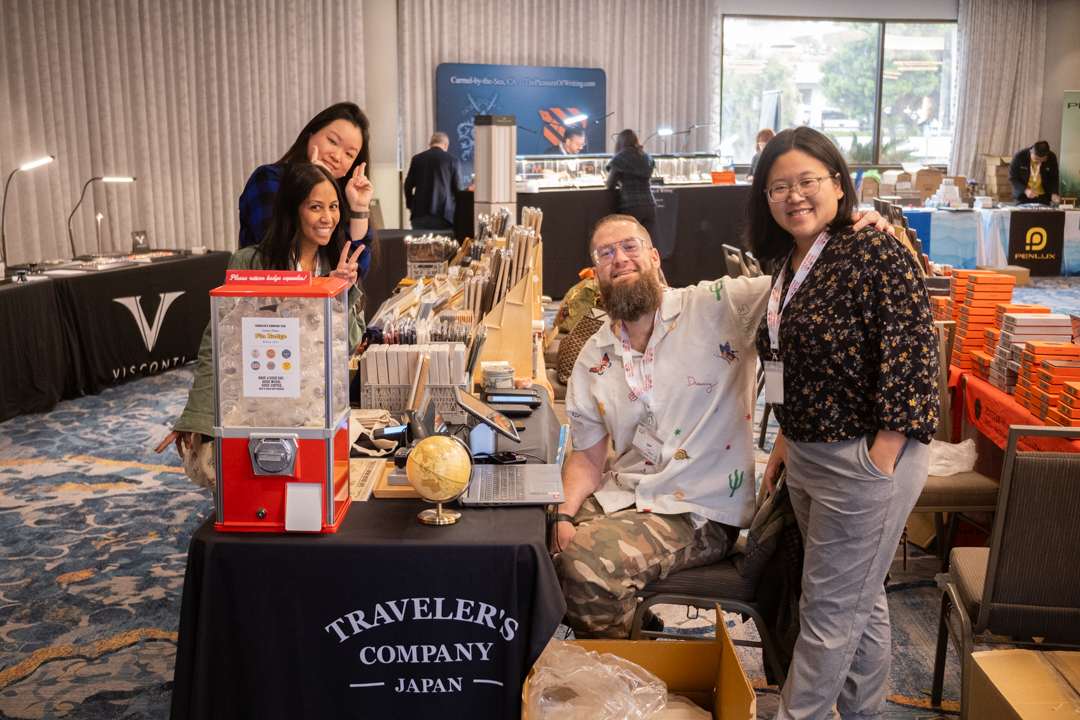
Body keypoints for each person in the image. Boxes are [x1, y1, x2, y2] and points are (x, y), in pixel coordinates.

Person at [748, 126, 938, 720]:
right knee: (860, 600)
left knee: (828, 609)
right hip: (806, 454)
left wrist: (879, 458)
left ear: (839, 184)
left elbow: (912, 354)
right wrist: (784, 438)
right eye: (779, 186)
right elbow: (792, 363)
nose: (794, 196)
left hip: (864, 458)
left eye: (807, 181)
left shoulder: (874, 249)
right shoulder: (788, 259)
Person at [551, 214, 771, 639]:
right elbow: (587, 457)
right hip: (628, 492)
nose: (620, 258)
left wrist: (853, 230)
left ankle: (621, 683)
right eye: (606, 253)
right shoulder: (593, 355)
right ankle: (637, 627)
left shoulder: (716, 306)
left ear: (654, 258)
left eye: (631, 247)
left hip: (699, 508)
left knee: (585, 566)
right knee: (535, 547)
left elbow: (799, 278)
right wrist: (561, 514)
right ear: (595, 274)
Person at [155, 163, 367, 488]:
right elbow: (219, 343)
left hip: (315, 404)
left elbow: (349, 344)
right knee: (228, 479)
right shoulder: (251, 262)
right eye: (315, 207)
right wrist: (198, 417)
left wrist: (340, 293)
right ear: (291, 209)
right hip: (258, 401)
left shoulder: (338, 263)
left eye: (334, 206)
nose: (328, 217)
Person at [238, 102, 375, 277]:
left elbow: (356, 270)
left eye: (349, 154)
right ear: (311, 133)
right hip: (267, 299)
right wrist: (308, 183)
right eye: (332, 141)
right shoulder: (268, 178)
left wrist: (359, 208)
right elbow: (275, 253)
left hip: (325, 302)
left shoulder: (341, 197)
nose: (337, 156)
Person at [403, 132, 462, 231]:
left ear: (430, 144)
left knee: (420, 245)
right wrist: (458, 213)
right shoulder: (453, 160)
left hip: (419, 214)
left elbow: (408, 186)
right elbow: (458, 190)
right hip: (444, 215)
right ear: (446, 144)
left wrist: (410, 205)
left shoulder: (417, 159)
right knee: (443, 246)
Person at [605, 130, 657, 240]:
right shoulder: (647, 157)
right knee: (646, 242)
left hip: (631, 205)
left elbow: (610, 184)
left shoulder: (620, 157)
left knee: (629, 242)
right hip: (650, 205)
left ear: (620, 142)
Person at [1009, 140, 1061, 205]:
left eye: (1043, 159)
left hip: (1043, 197)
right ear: (1031, 152)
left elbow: (1054, 178)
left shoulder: (1052, 157)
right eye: (1036, 159)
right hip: (1023, 196)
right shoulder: (1019, 156)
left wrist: (1053, 193)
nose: (1040, 162)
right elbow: (1013, 178)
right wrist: (1025, 190)